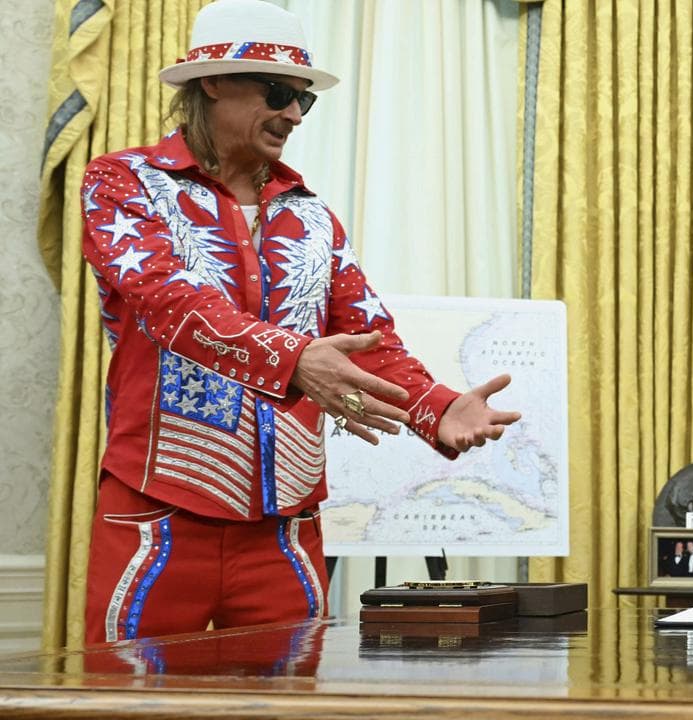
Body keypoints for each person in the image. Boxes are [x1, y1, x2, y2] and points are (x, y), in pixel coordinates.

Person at [80, 0, 520, 644]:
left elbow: (369, 339)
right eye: (279, 92)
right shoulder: (123, 182)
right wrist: (295, 361)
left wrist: (437, 406)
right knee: (125, 705)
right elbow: (172, 305)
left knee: (285, 705)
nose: (293, 113)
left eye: (303, 101)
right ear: (212, 82)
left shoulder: (314, 217)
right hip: (158, 515)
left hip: (285, 528)